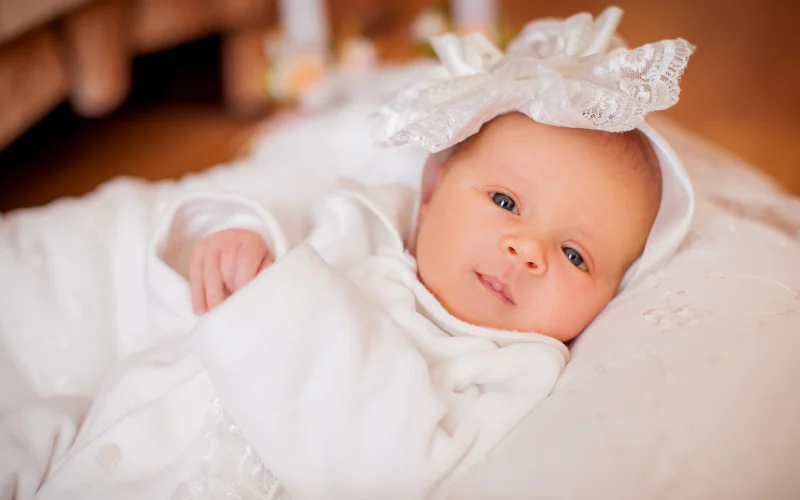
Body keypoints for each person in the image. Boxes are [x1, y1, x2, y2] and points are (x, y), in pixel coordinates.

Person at [1, 7, 695, 500]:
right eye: (507, 203)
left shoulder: (513, 371)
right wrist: (241, 241)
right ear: (433, 189)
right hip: (101, 426)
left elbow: (389, 468)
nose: (528, 250)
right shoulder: (361, 218)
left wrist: (281, 304)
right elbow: (255, 232)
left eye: (575, 256)